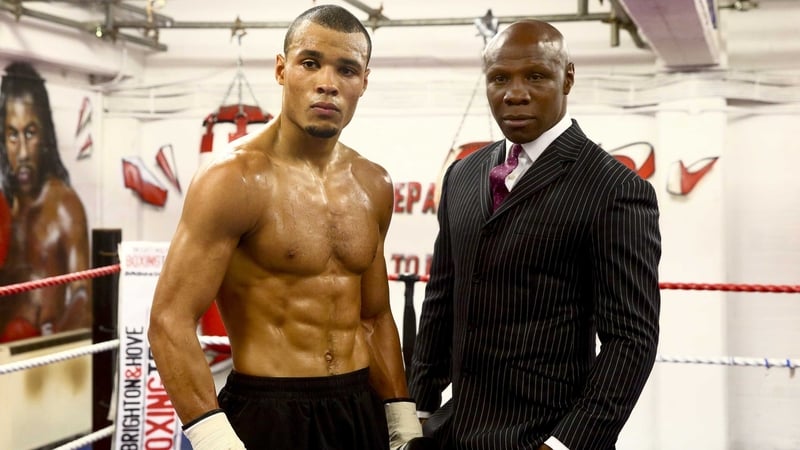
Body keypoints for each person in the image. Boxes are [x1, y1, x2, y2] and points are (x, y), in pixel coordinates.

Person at [148, 5, 425, 450]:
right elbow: (170, 320)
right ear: (282, 69)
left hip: (358, 407)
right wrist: (213, 437)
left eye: (347, 70)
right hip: (268, 412)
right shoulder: (233, 179)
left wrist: (400, 414)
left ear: (364, 82)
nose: (328, 84)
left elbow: (373, 316)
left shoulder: (374, 183)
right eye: (310, 63)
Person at [408, 19, 661, 450]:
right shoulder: (463, 175)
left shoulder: (614, 188)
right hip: (455, 432)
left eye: (536, 76)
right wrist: (418, 410)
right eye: (499, 78)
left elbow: (631, 340)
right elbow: (441, 298)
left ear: (568, 77)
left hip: (544, 435)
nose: (515, 93)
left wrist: (564, 443)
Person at [0, 61, 91, 342]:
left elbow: (82, 294)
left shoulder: (63, 205)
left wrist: (52, 350)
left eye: (30, 132)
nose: (23, 151)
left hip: (43, 357)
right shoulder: (4, 207)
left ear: (46, 135)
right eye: (13, 135)